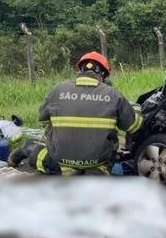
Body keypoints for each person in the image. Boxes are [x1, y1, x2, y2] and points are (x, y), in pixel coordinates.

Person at [8, 51, 142, 175]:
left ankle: (24, 151)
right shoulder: (113, 95)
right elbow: (134, 127)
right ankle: (91, 171)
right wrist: (135, 107)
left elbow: (43, 120)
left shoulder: (58, 90)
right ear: (103, 75)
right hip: (98, 162)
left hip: (60, 162)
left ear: (80, 71)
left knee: (45, 143)